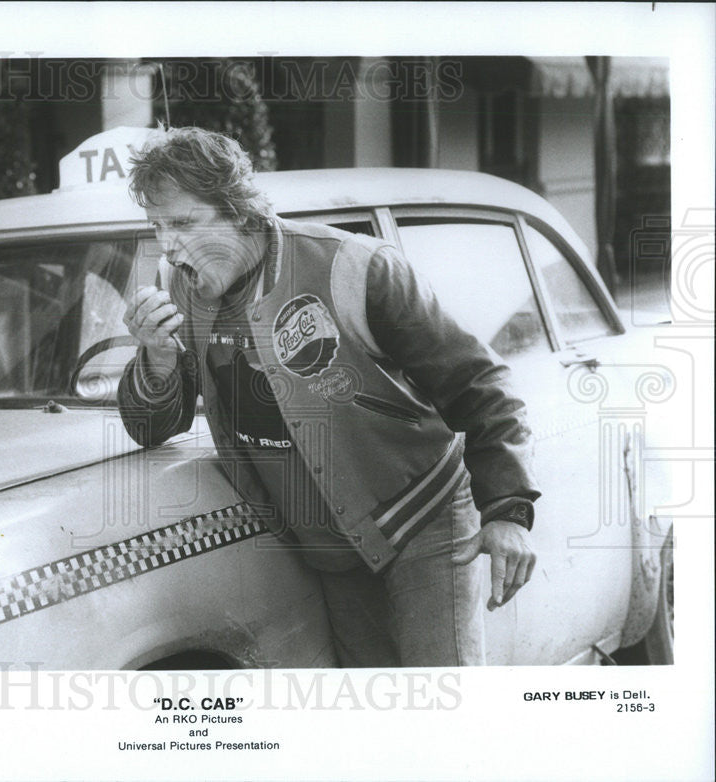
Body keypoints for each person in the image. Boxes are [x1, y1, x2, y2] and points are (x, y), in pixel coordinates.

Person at [117, 126, 539, 667]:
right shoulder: (179, 289)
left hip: (422, 527)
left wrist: (507, 511)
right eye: (157, 226)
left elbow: (479, 384)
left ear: (239, 211)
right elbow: (152, 429)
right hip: (328, 550)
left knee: (443, 710)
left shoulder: (357, 266)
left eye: (182, 223)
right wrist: (155, 356)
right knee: (368, 719)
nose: (169, 246)